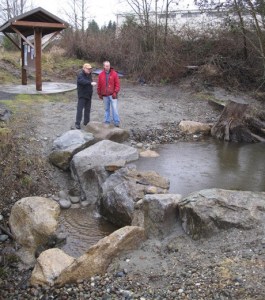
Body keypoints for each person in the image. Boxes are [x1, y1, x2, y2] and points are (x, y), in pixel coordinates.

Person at [97, 61, 121, 127]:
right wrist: (99, 93)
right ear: (104, 66)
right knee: (106, 109)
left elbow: (117, 85)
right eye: (106, 66)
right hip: (105, 95)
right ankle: (107, 121)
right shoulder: (100, 74)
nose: (108, 67)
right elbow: (99, 85)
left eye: (108, 66)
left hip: (113, 95)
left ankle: (116, 122)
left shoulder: (115, 74)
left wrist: (115, 92)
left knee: (115, 109)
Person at [75, 63, 96, 129]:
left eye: (90, 69)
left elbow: (89, 83)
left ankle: (86, 122)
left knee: (87, 110)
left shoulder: (89, 75)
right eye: (88, 68)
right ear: (84, 68)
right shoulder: (80, 74)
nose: (89, 70)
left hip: (89, 95)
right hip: (82, 95)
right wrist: (90, 83)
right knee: (80, 110)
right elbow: (81, 81)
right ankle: (77, 123)